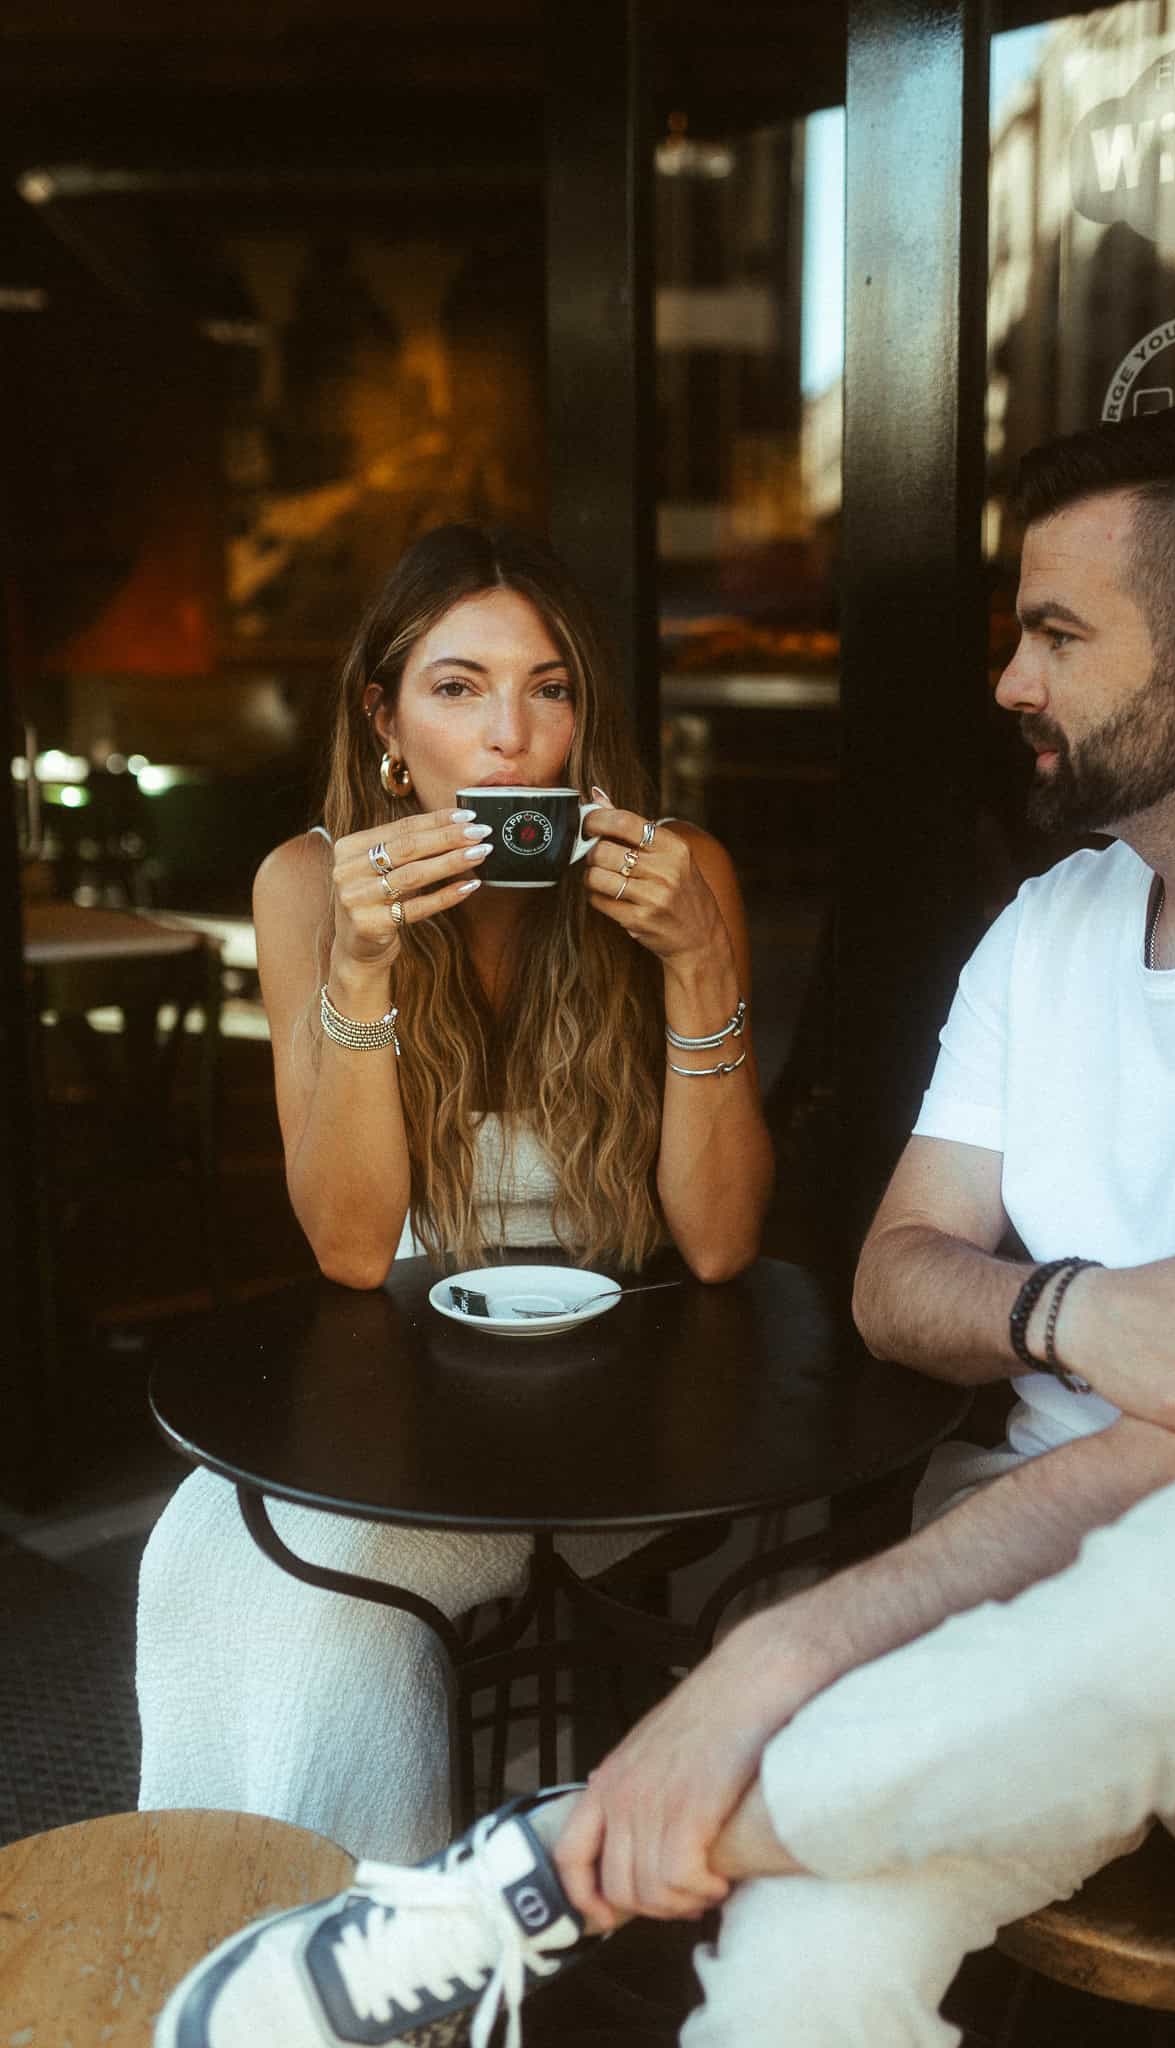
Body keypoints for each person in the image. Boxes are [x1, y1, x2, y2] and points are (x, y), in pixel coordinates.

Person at [154, 401, 1175, 2048]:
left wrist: (770, 1664)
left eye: (1053, 634)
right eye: (457, 688)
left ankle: (550, 1867)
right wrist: (1073, 1311)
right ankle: (420, 1920)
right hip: (1018, 1624)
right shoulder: (1050, 925)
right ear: (385, 725)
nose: (1007, 680)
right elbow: (891, 1278)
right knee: (812, 1964)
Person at [136, 522, 774, 1865]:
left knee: (315, 1603)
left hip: (629, 1406)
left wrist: (702, 965)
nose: (509, 738)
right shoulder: (310, 886)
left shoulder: (680, 873)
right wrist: (360, 974)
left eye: (548, 688)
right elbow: (356, 1250)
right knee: (208, 1548)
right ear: (385, 718)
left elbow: (718, 1249)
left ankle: (364, 1960)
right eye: (458, 686)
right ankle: (276, 1938)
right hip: (411, 1396)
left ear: (583, 718)